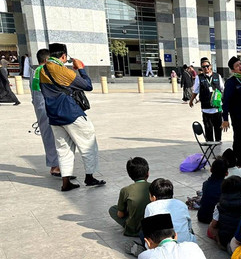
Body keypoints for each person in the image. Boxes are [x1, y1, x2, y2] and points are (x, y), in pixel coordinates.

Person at [38, 43, 104, 191]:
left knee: (63, 149)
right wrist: (81, 68)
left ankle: (66, 182)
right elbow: (87, 85)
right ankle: (89, 177)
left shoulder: (42, 70)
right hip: (70, 112)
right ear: (63, 56)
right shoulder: (61, 70)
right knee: (88, 142)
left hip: (53, 115)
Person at [30, 48, 60, 176]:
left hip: (41, 107)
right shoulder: (42, 71)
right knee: (52, 136)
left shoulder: (34, 72)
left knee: (49, 136)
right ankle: (56, 166)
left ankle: (55, 165)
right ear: (47, 60)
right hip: (47, 108)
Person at [144, 178, 197, 243]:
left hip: (163, 247)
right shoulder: (181, 204)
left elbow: (148, 232)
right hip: (187, 244)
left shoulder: (150, 207)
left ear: (154, 197)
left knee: (142, 233)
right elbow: (189, 227)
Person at [109, 157, 151, 237]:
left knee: (113, 209)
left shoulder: (125, 190)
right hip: (152, 228)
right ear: (148, 173)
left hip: (133, 230)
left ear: (130, 175)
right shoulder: (154, 187)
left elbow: (120, 215)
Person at [208, 176, 241, 252]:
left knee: (211, 226)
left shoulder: (220, 205)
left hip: (226, 240)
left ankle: (221, 244)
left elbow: (214, 224)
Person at [190, 57, 224, 142]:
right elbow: (196, 91)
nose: (206, 68)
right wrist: (191, 100)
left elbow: (223, 89)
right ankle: (210, 145)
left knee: (218, 129)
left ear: (211, 66)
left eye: (207, 66)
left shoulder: (217, 76)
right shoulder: (199, 78)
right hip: (206, 109)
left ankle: (218, 144)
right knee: (208, 130)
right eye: (203, 67)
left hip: (217, 109)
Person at [198, 159, 228, 224]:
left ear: (211, 170)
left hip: (202, 216)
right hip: (215, 218)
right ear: (226, 173)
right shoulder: (226, 186)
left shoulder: (205, 184)